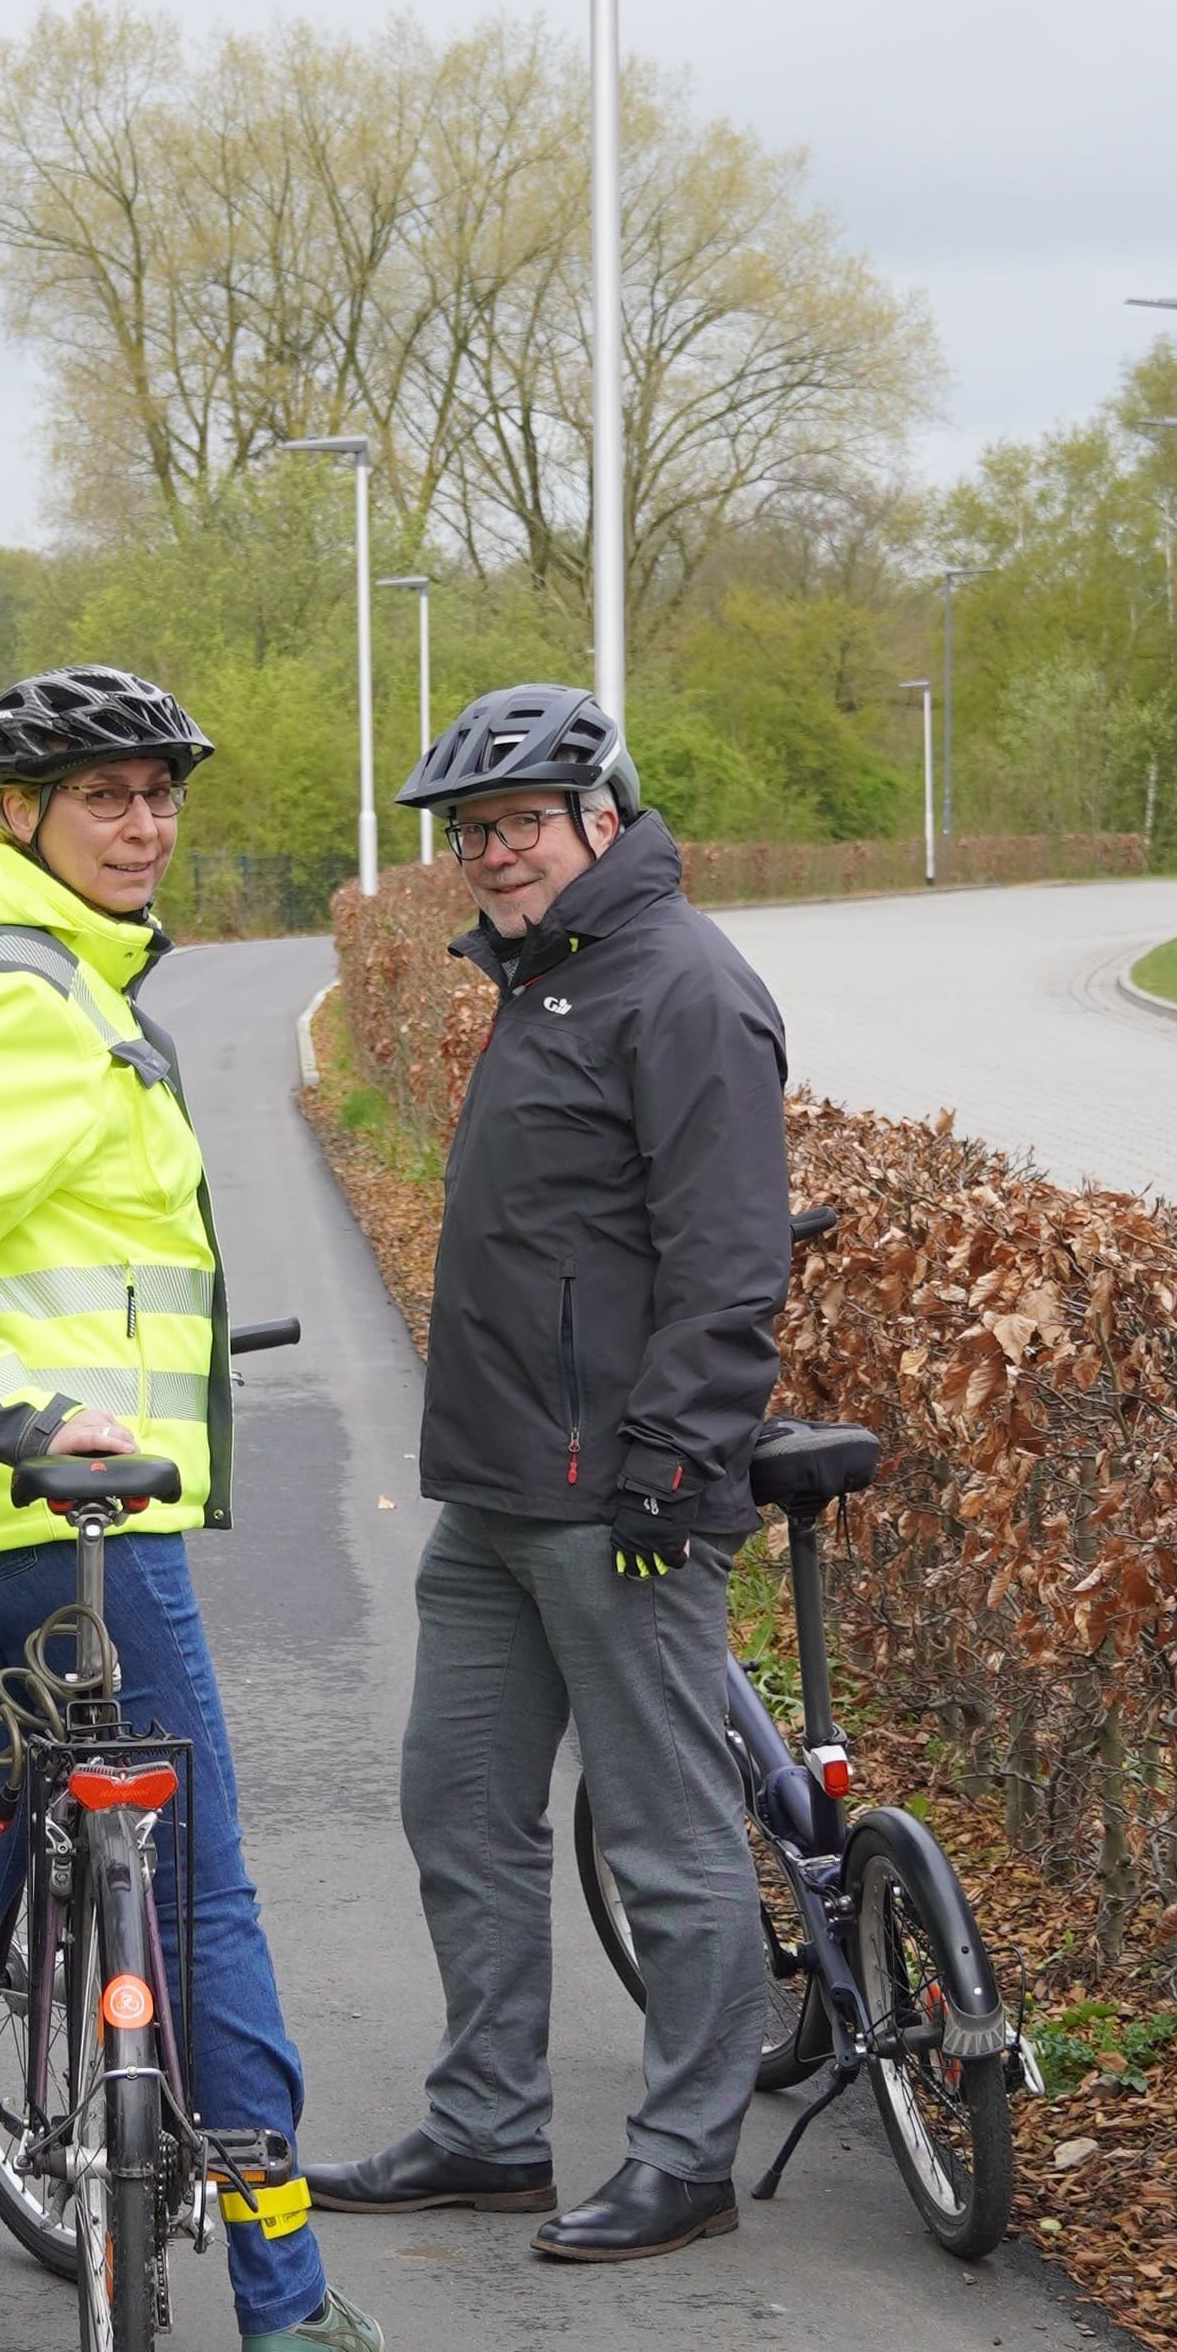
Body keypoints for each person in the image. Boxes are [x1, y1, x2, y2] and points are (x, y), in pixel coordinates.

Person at [0, 664, 380, 2352]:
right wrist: (26, 1421)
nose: (144, 824)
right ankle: (284, 2294)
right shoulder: (31, 998)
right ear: (18, 815)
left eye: (161, 794)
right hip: (70, 1523)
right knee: (203, 1898)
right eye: (105, 795)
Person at [310, 681, 793, 2261]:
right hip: (500, 1491)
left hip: (622, 1504)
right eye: (471, 836)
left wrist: (672, 1464)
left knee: (664, 1835)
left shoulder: (684, 988)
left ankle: (685, 2156)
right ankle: (486, 2126)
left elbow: (726, 1266)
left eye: (517, 824)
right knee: (459, 1804)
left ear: (604, 814)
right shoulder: (553, 976)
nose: (491, 857)